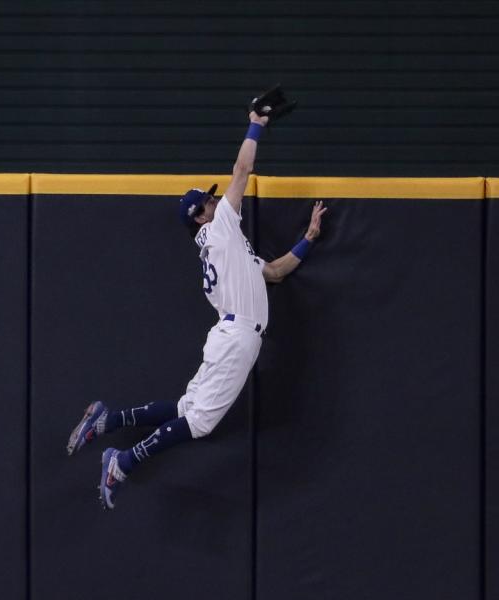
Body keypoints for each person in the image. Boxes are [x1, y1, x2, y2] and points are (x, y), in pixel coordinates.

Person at [67, 109, 326, 510]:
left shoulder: (227, 249)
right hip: (236, 338)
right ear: (202, 214)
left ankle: (108, 420)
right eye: (208, 200)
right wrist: (256, 124)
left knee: (187, 409)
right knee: (200, 422)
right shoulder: (220, 227)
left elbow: (273, 272)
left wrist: (307, 239)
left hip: (230, 335)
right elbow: (242, 169)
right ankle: (123, 461)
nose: (214, 199)